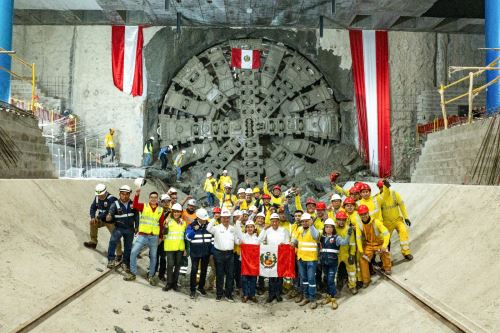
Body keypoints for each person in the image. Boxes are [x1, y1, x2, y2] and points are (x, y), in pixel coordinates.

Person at [125, 189, 165, 285]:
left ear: (157, 199)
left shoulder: (160, 210)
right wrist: (137, 195)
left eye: (155, 197)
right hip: (142, 235)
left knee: (153, 257)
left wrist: (160, 237)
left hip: (154, 237)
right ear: (149, 198)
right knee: (134, 252)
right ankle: (133, 273)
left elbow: (161, 224)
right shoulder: (144, 206)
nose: (153, 199)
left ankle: (150, 276)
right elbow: (134, 205)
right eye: (152, 197)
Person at [320, 218, 352, 310]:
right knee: (325, 279)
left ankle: (333, 299)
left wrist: (348, 235)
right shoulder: (322, 237)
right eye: (326, 227)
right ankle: (328, 297)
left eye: (330, 227)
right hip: (324, 263)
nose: (328, 229)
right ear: (324, 228)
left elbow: (344, 242)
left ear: (333, 228)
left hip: (332, 263)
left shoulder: (336, 238)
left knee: (330, 280)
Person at [355, 205, 391, 288]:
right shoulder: (359, 225)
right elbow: (358, 238)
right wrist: (360, 250)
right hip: (369, 245)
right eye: (362, 214)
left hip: (379, 243)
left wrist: (384, 245)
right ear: (359, 215)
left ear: (368, 213)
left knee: (385, 253)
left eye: (365, 213)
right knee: (363, 259)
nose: (364, 216)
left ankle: (387, 268)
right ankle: (366, 280)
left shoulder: (376, 222)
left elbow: (386, 233)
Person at [83, 184, 122, 261]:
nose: (99, 196)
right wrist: (93, 217)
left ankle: (119, 254)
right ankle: (93, 242)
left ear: (105, 192)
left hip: (111, 221)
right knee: (93, 223)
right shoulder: (97, 197)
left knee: (116, 237)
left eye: (101, 194)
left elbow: (108, 211)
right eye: (98, 194)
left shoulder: (112, 199)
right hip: (101, 219)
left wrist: (98, 217)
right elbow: (93, 207)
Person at [377, 180, 413, 261]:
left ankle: (406, 252)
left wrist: (406, 217)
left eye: (382, 187)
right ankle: (385, 258)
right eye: (380, 188)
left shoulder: (394, 194)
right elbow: (377, 211)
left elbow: (401, 204)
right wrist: (379, 223)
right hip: (386, 223)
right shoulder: (378, 198)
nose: (382, 189)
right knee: (385, 240)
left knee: (403, 232)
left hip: (397, 220)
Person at [258, 213, 291, 303]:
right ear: (270, 222)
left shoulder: (284, 230)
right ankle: (271, 294)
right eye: (273, 221)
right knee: (271, 275)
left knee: (279, 275)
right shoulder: (267, 231)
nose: (274, 223)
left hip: (281, 255)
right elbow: (259, 240)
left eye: (276, 221)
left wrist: (283, 244)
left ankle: (278, 293)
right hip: (271, 255)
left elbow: (288, 242)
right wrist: (264, 229)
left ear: (278, 221)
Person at [207, 208, 236, 302]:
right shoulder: (216, 228)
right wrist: (214, 218)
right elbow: (208, 228)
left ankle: (228, 295)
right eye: (224, 218)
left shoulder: (233, 229)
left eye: (227, 218)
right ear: (221, 218)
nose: (226, 219)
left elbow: (237, 241)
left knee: (230, 275)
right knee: (219, 275)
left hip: (230, 254)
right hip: (218, 254)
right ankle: (219, 294)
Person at [106, 185, 137, 270]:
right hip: (119, 228)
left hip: (130, 229)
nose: (124, 196)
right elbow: (111, 212)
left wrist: (137, 227)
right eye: (122, 194)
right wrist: (109, 216)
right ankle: (111, 260)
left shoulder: (133, 204)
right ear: (119, 194)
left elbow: (136, 216)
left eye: (127, 194)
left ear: (129, 194)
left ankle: (125, 263)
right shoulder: (115, 204)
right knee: (113, 241)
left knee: (128, 247)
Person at [293, 213, 320, 309]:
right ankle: (306, 297)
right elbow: (296, 241)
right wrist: (292, 243)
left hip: (311, 259)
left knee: (311, 279)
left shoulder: (314, 230)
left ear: (310, 221)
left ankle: (313, 299)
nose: (304, 223)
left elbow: (316, 237)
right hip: (301, 258)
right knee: (304, 279)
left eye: (306, 221)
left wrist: (312, 225)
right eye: (303, 221)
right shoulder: (299, 230)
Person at [185, 208, 213, 298]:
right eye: (203, 219)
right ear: (198, 218)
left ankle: (201, 287)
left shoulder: (208, 226)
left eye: (206, 219)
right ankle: (192, 290)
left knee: (204, 271)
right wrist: (194, 230)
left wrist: (211, 251)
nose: (205, 220)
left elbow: (212, 239)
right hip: (195, 252)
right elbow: (188, 238)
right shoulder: (192, 225)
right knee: (194, 270)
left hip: (206, 252)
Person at [162, 203, 187, 291]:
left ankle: (175, 284)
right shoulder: (168, 221)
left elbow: (184, 237)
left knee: (177, 266)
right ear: (172, 212)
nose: (176, 213)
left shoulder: (183, 223)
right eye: (175, 212)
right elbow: (164, 233)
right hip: (170, 247)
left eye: (178, 212)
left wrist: (185, 249)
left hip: (180, 248)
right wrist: (165, 226)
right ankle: (169, 283)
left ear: (181, 212)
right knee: (170, 265)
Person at [234, 219, 260, 303]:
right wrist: (238, 221)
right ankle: (245, 294)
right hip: (244, 262)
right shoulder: (243, 237)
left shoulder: (257, 239)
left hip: (254, 262)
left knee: (253, 279)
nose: (250, 229)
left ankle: (252, 295)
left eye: (251, 227)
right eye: (248, 227)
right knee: (244, 279)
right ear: (245, 228)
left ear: (254, 228)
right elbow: (238, 231)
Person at [334, 210, 358, 295]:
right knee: (333, 272)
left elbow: (352, 243)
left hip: (346, 253)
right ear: (336, 220)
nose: (341, 221)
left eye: (343, 219)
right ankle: (333, 289)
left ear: (345, 220)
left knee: (352, 270)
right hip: (336, 254)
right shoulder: (333, 228)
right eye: (339, 219)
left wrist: (352, 254)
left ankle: (353, 286)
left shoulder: (349, 229)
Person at [156, 193, 172, 281]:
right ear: (160, 202)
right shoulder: (156, 211)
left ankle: (161, 274)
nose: (166, 203)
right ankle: (152, 272)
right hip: (155, 237)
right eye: (164, 201)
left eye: (168, 201)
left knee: (163, 257)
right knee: (154, 256)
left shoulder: (172, 213)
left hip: (165, 239)